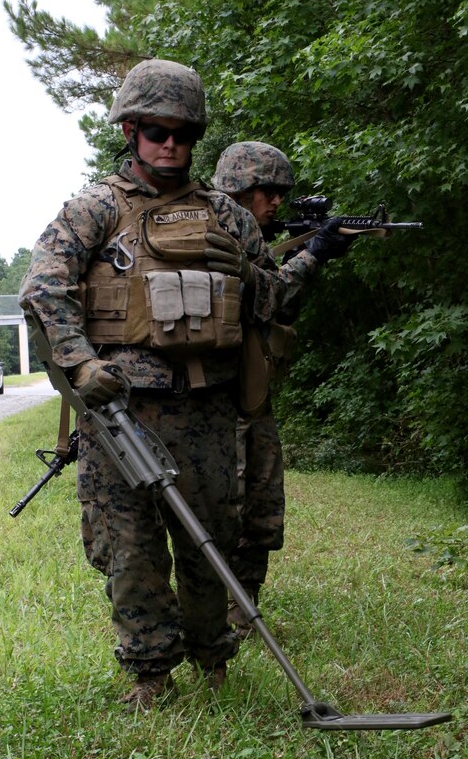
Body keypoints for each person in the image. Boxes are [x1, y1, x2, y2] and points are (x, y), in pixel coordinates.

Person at [19, 60, 293, 709]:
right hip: (122, 414)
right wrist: (82, 363)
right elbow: (44, 288)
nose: (168, 143)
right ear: (131, 130)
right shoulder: (94, 209)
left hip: (206, 412)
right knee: (132, 552)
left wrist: (250, 277)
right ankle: (151, 674)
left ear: (195, 135)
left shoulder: (228, 216)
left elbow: (280, 301)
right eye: (154, 130)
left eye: (181, 132)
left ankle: (212, 657)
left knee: (208, 548)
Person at [211, 141, 354, 636]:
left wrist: (308, 249)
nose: (275, 202)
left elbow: (279, 309)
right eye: (266, 191)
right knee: (227, 505)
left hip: (253, 395)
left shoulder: (255, 238)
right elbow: (261, 299)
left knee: (263, 508)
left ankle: (243, 608)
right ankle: (216, 612)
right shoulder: (218, 229)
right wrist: (313, 256)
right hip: (218, 395)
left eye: (280, 193)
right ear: (238, 189)